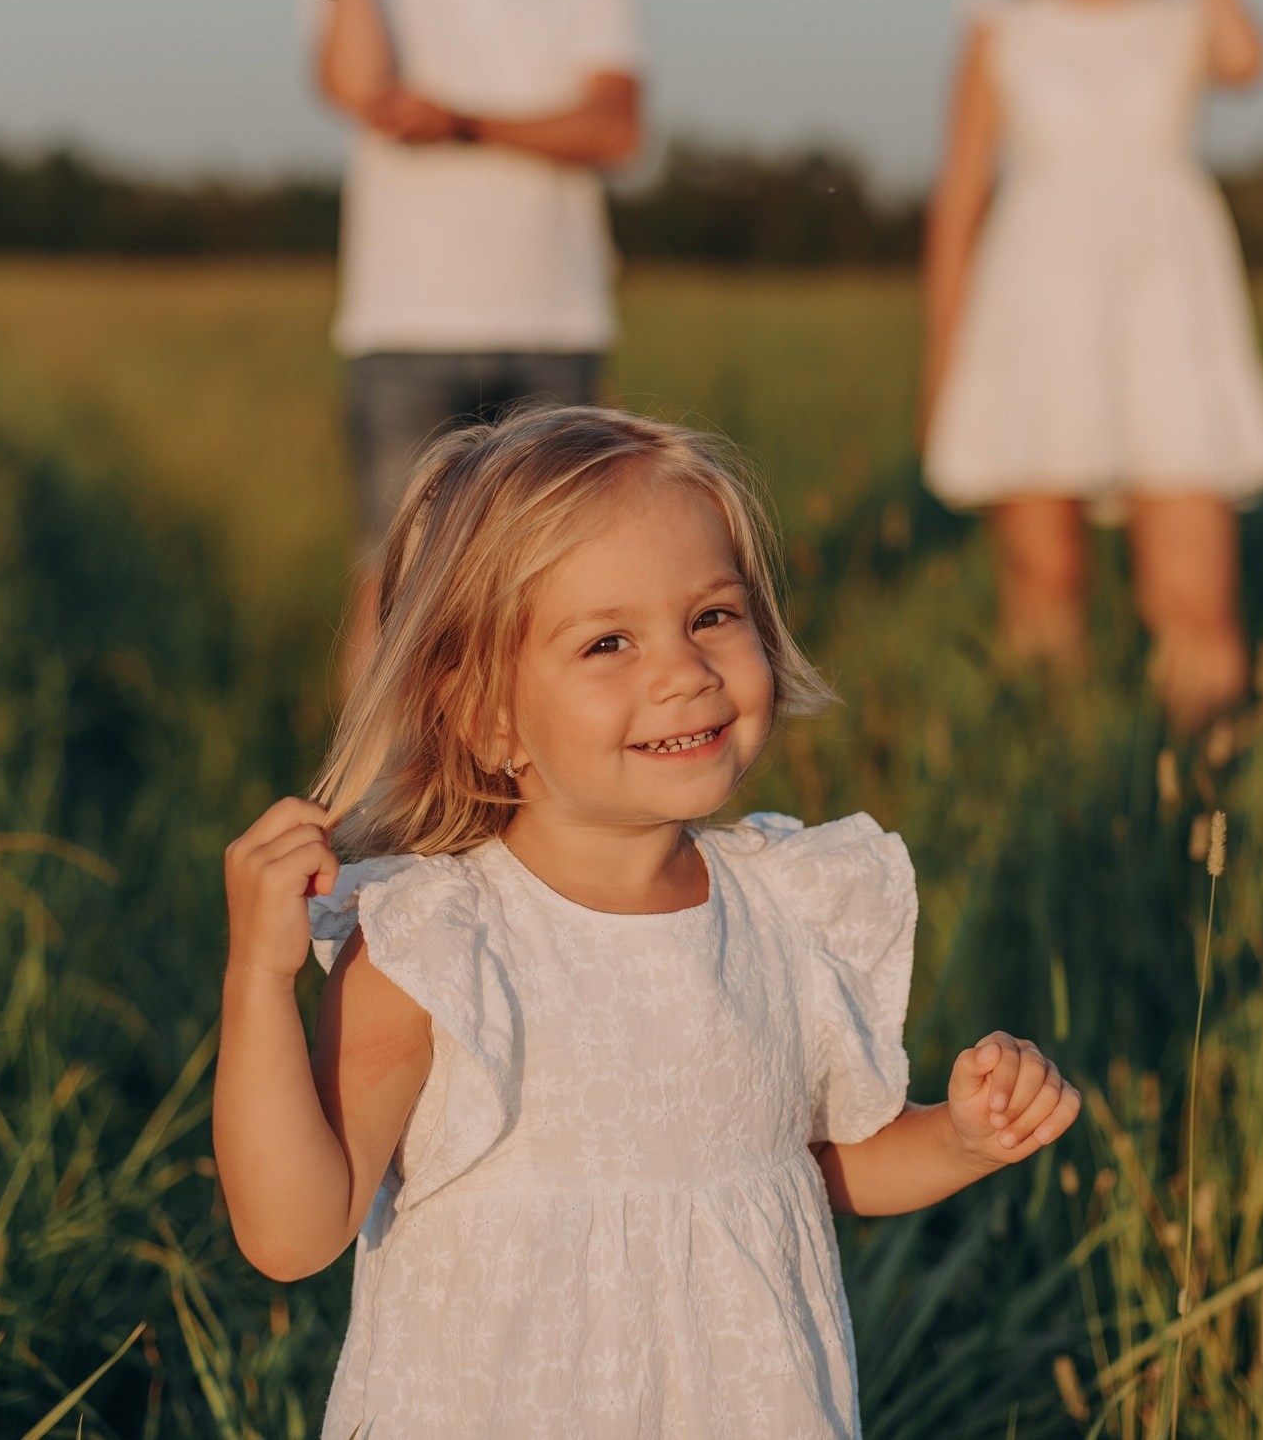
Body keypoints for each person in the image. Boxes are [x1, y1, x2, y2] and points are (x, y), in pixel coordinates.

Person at [213, 406, 1082, 1439]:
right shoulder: (438, 946)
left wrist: (962, 1135)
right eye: (609, 641)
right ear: (488, 715)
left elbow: (798, 1170)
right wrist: (258, 983)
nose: (683, 669)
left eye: (713, 615)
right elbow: (293, 1231)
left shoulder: (781, 907)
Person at [920, 0, 1263, 732]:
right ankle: (1060, 783)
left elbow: (1248, 62)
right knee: (1043, 579)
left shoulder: (1180, 17)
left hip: (1168, 298)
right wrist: (944, 355)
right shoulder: (1003, 21)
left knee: (1193, 592)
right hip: (1035, 300)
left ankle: (1197, 797)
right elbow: (961, 194)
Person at [307, 0, 645, 685]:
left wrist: (461, 118)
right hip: (404, 322)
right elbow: (356, 82)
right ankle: (377, 815)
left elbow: (615, 127)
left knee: (564, 579)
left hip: (556, 320)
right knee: (395, 575)